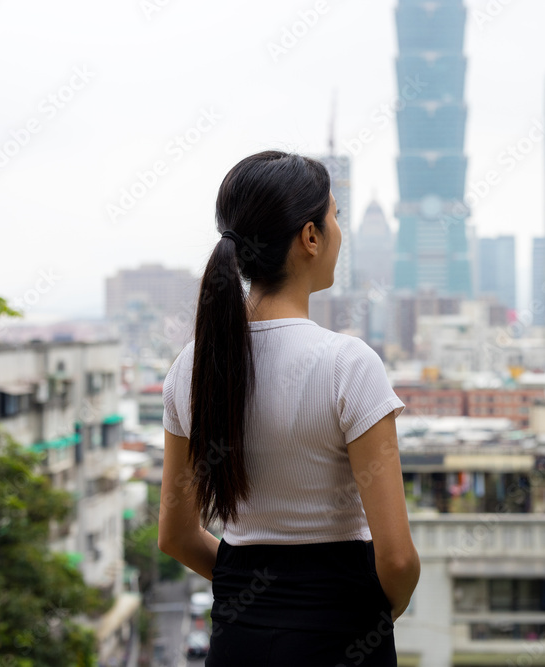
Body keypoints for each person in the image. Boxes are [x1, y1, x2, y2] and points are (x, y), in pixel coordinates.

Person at [158, 150, 420, 666]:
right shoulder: (349, 364)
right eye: (335, 217)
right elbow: (396, 559)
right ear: (310, 238)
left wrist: (257, 593)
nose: (339, 233)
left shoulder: (190, 368)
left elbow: (177, 536)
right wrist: (366, 610)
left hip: (239, 643)